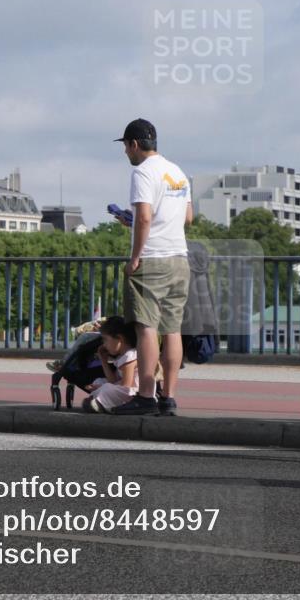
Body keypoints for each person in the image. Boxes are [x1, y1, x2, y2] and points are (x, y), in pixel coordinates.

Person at [110, 118, 192, 416]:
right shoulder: (178, 172)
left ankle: (145, 396)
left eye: (126, 147)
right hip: (179, 259)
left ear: (133, 144)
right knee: (173, 330)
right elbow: (188, 217)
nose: (126, 154)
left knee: (146, 328)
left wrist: (135, 255)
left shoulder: (143, 172)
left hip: (152, 259)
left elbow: (144, 217)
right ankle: (168, 397)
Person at [82, 316, 139, 413]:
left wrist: (102, 388)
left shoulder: (130, 356)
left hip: (133, 393)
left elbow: (126, 385)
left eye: (105, 340)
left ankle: (102, 403)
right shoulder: (122, 356)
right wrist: (103, 360)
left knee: (106, 387)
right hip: (125, 390)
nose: (104, 345)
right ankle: (99, 402)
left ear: (119, 338)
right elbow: (113, 380)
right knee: (100, 381)